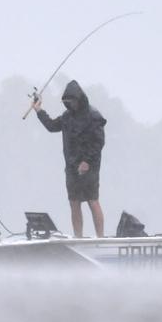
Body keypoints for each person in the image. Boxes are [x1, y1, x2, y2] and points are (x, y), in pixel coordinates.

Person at [33, 80, 107, 237]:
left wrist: (87, 161)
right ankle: (78, 237)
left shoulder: (93, 116)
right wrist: (39, 110)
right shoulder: (67, 117)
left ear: (79, 99)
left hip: (90, 167)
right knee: (74, 203)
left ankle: (101, 238)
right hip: (72, 168)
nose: (69, 104)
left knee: (92, 201)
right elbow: (52, 126)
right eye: (67, 102)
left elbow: (98, 142)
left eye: (72, 101)